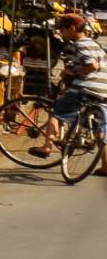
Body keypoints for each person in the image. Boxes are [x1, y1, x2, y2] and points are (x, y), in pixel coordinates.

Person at [34, 13, 107, 159]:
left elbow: (92, 65)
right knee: (99, 126)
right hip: (103, 89)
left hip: (84, 87)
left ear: (72, 28)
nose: (62, 32)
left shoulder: (79, 44)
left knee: (57, 113)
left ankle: (47, 146)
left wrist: (76, 73)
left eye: (63, 29)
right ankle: (105, 165)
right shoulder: (96, 45)